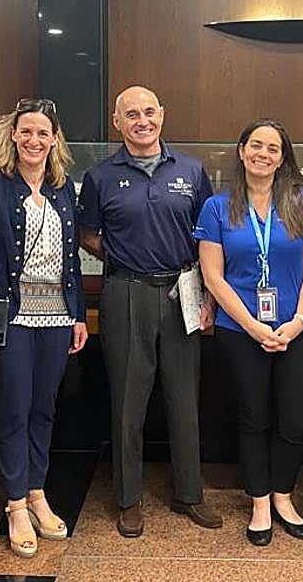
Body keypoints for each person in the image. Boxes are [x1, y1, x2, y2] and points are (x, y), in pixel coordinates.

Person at [78, 86, 222, 538]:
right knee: (127, 402)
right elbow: (87, 235)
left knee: (184, 397)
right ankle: (129, 499)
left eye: (149, 112)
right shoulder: (101, 175)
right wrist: (124, 256)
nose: (142, 121)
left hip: (182, 290)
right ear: (117, 122)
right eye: (131, 115)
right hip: (126, 291)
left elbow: (209, 236)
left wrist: (208, 297)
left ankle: (190, 494)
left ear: (162, 115)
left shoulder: (192, 171)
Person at [0, 98, 88, 558]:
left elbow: (71, 260)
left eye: (43, 133)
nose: (34, 141)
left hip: (55, 316)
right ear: (13, 136)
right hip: (7, 318)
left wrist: (76, 313)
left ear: (54, 140)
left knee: (44, 408)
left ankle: (38, 492)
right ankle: (15, 503)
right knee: (12, 409)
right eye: (26, 132)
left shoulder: (62, 189)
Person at [195, 118, 303, 547]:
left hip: (298, 329)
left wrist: (298, 320)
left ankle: (284, 496)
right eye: (256, 145)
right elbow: (213, 277)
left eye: (273, 148)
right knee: (253, 418)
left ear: (283, 156)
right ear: (241, 150)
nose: (263, 154)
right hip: (239, 329)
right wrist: (253, 326)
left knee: (294, 416)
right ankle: (259, 504)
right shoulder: (218, 207)